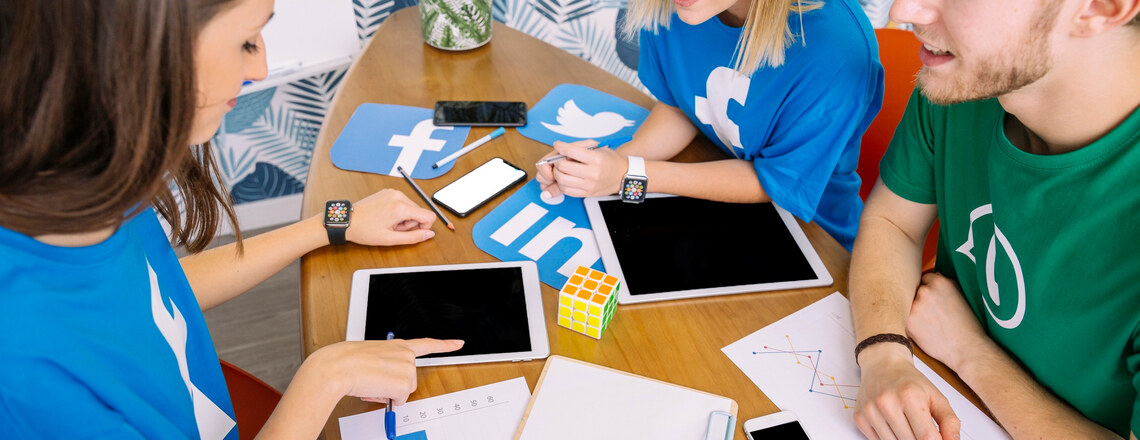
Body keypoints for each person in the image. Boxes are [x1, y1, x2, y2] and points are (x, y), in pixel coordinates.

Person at [0, 0, 462, 438]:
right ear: (142, 54)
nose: (260, 68)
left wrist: (333, 223)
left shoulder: (87, 183)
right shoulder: (25, 374)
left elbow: (154, 289)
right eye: (245, 42)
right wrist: (325, 377)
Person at [848, 0, 1140, 438]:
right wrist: (883, 355)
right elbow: (894, 222)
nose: (904, 8)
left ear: (1102, 7)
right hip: (936, 381)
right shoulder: (971, 75)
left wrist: (971, 353)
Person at [536, 0, 883, 250]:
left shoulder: (836, 48)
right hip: (716, 206)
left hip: (815, 241)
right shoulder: (673, 6)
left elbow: (776, 184)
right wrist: (604, 168)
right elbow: (683, 106)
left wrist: (630, 175)